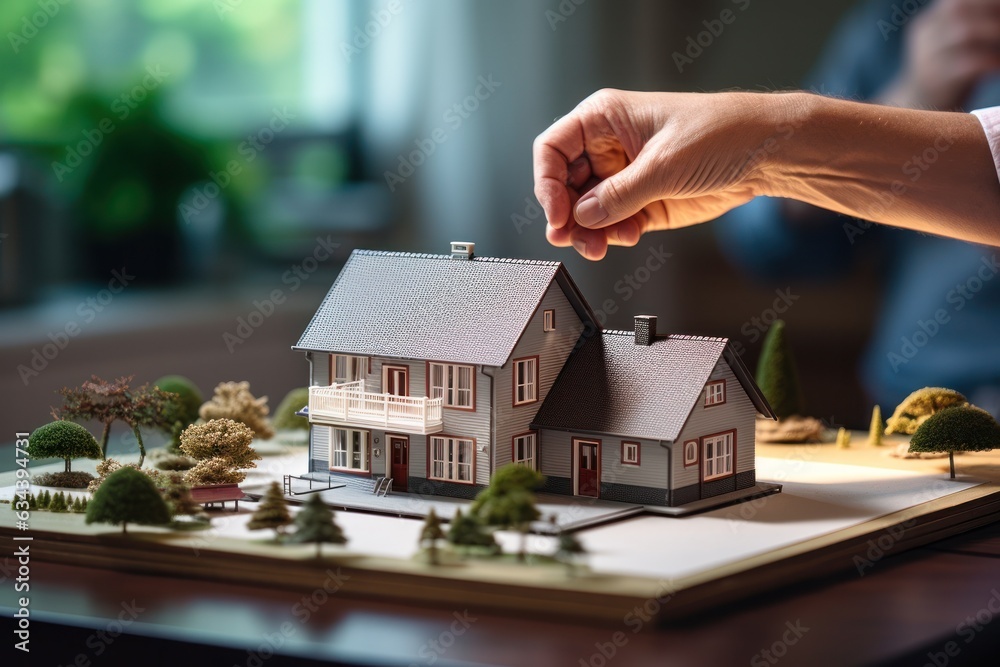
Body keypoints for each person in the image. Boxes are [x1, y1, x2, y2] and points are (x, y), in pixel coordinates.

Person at [533, 0, 1000, 415]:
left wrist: (765, 151)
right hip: (909, 403)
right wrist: (907, 102)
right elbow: (765, 243)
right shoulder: (903, 18)